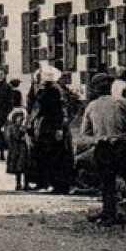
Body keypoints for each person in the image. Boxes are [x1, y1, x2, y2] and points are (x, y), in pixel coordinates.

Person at [80, 72, 126, 225]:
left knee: (107, 183)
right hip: (121, 145)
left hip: (103, 148)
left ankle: (109, 215)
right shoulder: (120, 103)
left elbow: (85, 133)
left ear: (95, 89)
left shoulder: (91, 106)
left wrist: (97, 138)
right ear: (110, 87)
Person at [28, 64, 74, 194]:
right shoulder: (46, 89)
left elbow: (59, 110)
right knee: (45, 153)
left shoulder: (54, 89)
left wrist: (59, 128)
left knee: (56, 155)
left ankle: (59, 185)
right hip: (47, 125)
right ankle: (45, 182)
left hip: (54, 125)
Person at [4, 106, 31, 190]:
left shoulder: (23, 127)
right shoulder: (13, 128)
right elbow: (14, 137)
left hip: (23, 150)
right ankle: (18, 184)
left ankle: (26, 184)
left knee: (26, 167)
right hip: (17, 150)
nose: (20, 120)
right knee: (18, 168)